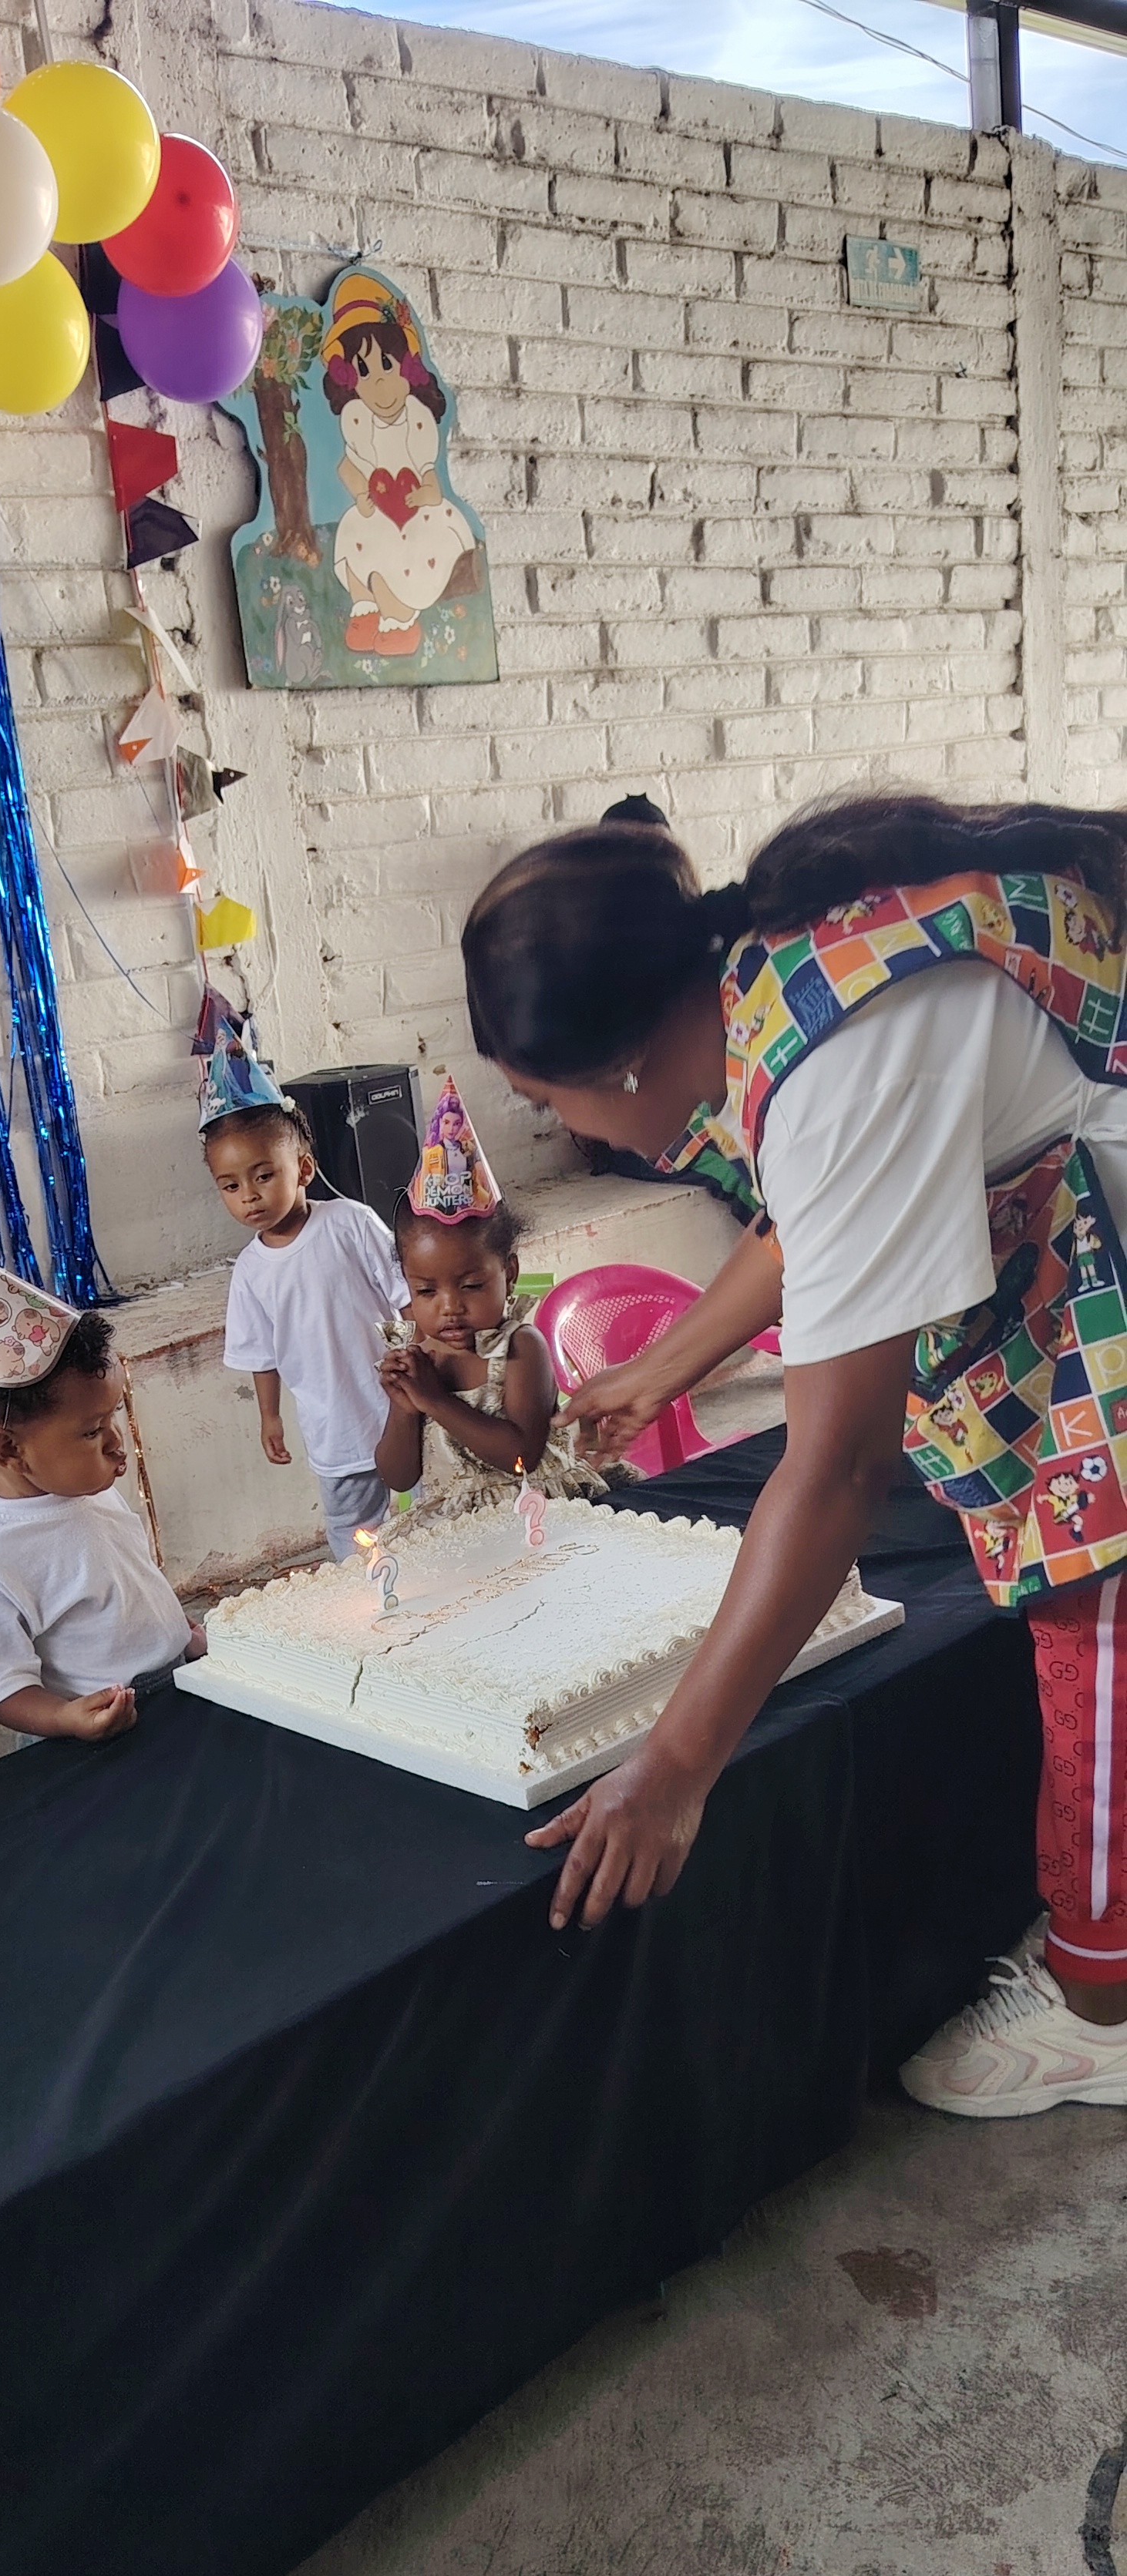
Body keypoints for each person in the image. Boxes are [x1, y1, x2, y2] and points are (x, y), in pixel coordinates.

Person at [461, 794, 1127, 2118]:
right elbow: (814, 1220)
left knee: (1097, 1623)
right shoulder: (775, 970)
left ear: (622, 1064)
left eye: (545, 1100)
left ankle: (1102, 2005)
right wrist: (664, 1365)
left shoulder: (835, 1064)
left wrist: (675, 1767)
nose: (570, 1132)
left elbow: (834, 1472)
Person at [0, 1234, 199, 1741]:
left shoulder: (87, 1491)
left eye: (112, 1417)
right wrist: (64, 1719)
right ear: (10, 1450)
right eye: (92, 1431)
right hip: (97, 1733)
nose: (116, 1443)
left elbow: (127, 1586)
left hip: (177, 1684)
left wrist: (177, 1636)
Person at [203, 1033, 409, 1561]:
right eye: (230, 1186)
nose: (249, 1195)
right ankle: (372, 1596)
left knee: (426, 1512)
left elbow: (405, 1295)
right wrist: (269, 1417)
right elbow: (261, 1356)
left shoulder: (350, 1223)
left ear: (304, 1169)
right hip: (334, 1427)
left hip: (402, 1404)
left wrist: (428, 1358)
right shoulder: (250, 1272)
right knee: (353, 1531)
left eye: (264, 1175)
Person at [375, 1074, 622, 1514]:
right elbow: (398, 1477)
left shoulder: (522, 1349)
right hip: (459, 1529)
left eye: (471, 1286)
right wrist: (405, 1408)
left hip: (535, 1515)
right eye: (426, 1291)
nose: (450, 1307)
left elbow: (521, 1456)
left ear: (509, 1273)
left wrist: (434, 1400)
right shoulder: (420, 1361)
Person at [321, 272, 475, 657]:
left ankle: (400, 620)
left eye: (387, 366)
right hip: (377, 508)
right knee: (355, 539)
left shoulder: (417, 420)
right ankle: (365, 609)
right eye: (364, 371)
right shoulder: (357, 418)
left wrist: (423, 496)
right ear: (350, 379)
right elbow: (348, 467)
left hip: (417, 516)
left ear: (408, 369)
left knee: (399, 559)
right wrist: (360, 493)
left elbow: (431, 481)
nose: (379, 384)